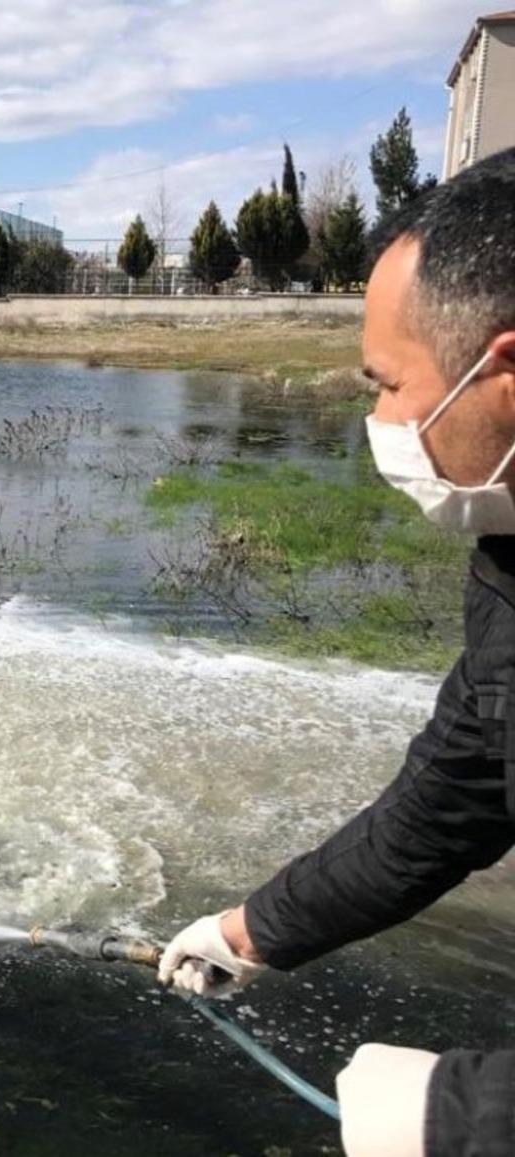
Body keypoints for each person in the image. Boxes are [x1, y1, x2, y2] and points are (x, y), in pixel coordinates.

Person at [159, 144, 515, 1157]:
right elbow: (455, 793)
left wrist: (466, 1115)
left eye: (390, 384)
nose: (380, 421)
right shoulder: (509, 557)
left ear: (505, 371)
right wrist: (252, 930)